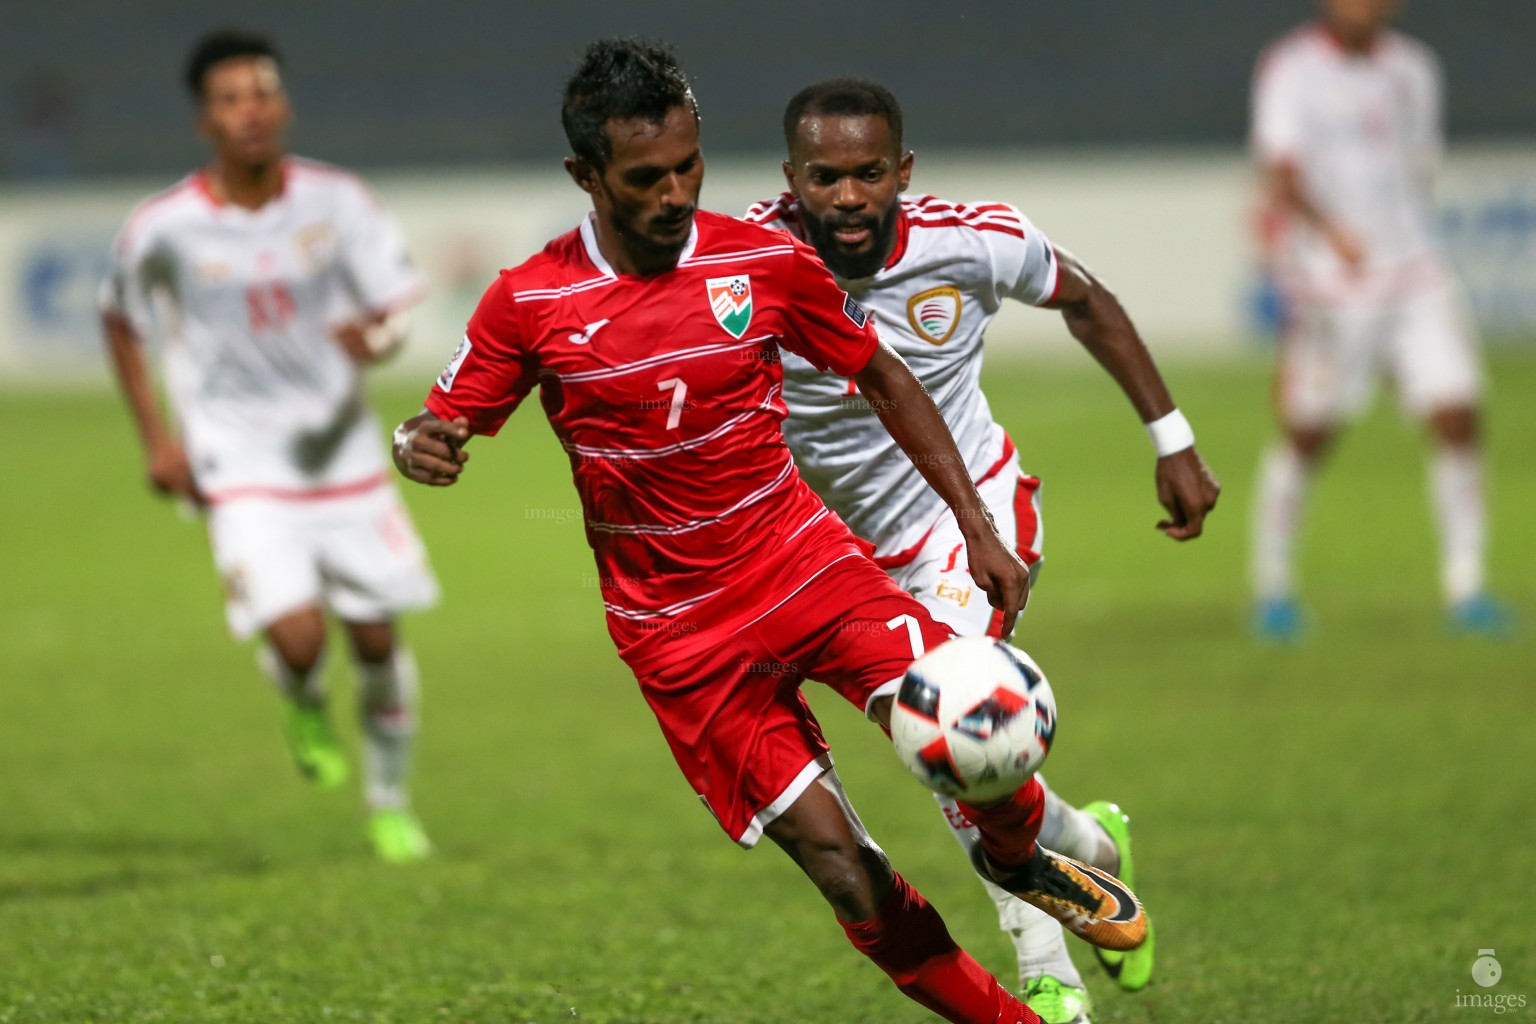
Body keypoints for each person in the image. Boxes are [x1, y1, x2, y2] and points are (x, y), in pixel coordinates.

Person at [394, 38, 1145, 1024]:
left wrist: (976, 525)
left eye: (689, 166)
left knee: (970, 716)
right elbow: (441, 418)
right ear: (585, 176)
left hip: (807, 566)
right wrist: (422, 443)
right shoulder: (530, 301)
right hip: (680, 636)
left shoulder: (762, 262)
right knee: (845, 871)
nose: (675, 192)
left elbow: (884, 374)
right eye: (645, 177)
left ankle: (1023, 857)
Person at [746, 78, 1221, 1023]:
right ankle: (1094, 848)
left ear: (903, 172)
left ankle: (1048, 975)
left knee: (951, 733)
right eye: (825, 177)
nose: (849, 197)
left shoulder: (971, 238)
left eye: (869, 173)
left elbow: (1089, 300)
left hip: (972, 525)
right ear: (790, 180)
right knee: (976, 762)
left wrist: (1172, 440)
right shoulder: (743, 264)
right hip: (832, 553)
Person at [100, 29, 438, 863]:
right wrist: (157, 440)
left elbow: (394, 308)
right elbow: (119, 317)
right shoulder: (165, 227)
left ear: (283, 105)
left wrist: (380, 339)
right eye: (230, 99)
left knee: (377, 642)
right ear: (204, 121)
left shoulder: (338, 202)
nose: (250, 110)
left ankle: (389, 803)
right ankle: (302, 698)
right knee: (298, 639)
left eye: (262, 92)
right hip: (238, 463)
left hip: (344, 458)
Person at [1248, 0, 1511, 640]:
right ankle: (1273, 588)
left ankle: (1467, 585)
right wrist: (1330, 234)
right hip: (1336, 285)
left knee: (1458, 416)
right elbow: (1281, 168)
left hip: (1419, 273)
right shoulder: (1291, 69)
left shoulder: (1415, 70)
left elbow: (1418, 166)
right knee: (1309, 432)